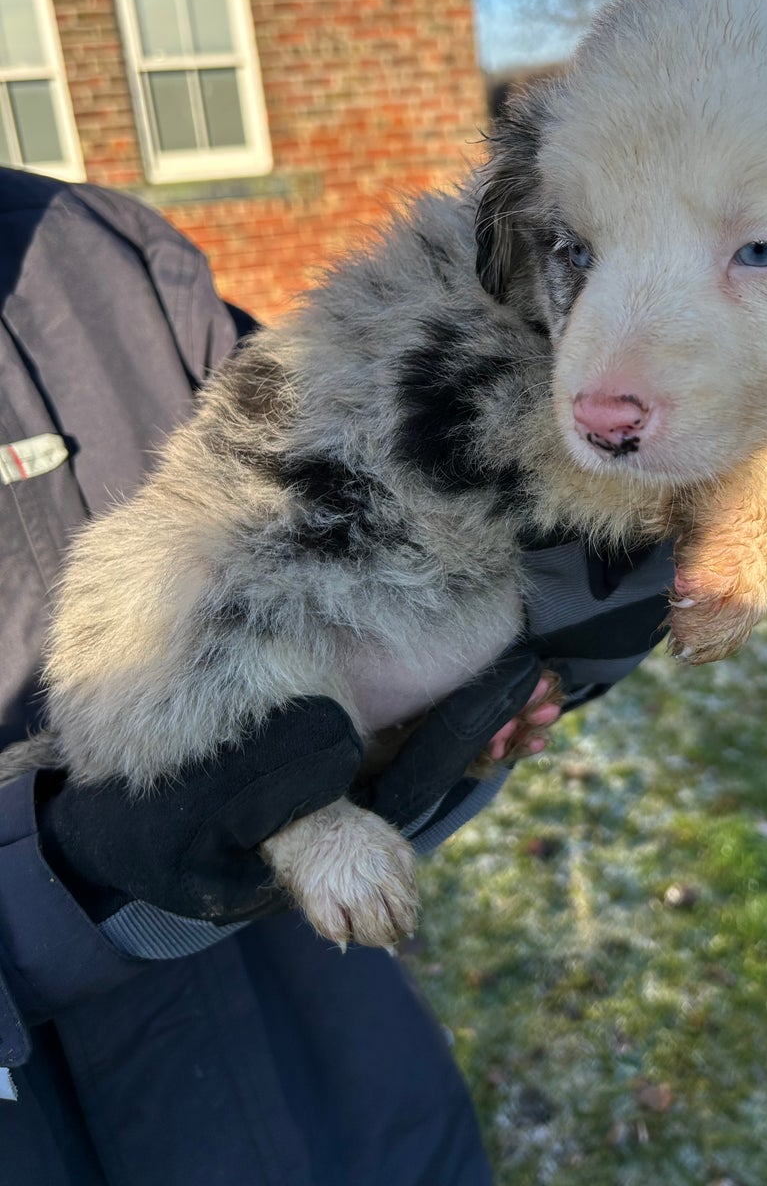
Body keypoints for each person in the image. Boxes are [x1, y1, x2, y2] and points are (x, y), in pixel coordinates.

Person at [0, 166, 674, 1185]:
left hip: (342, 1090)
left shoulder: (100, 244)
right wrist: (64, 881)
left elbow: (334, 466)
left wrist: (561, 586)